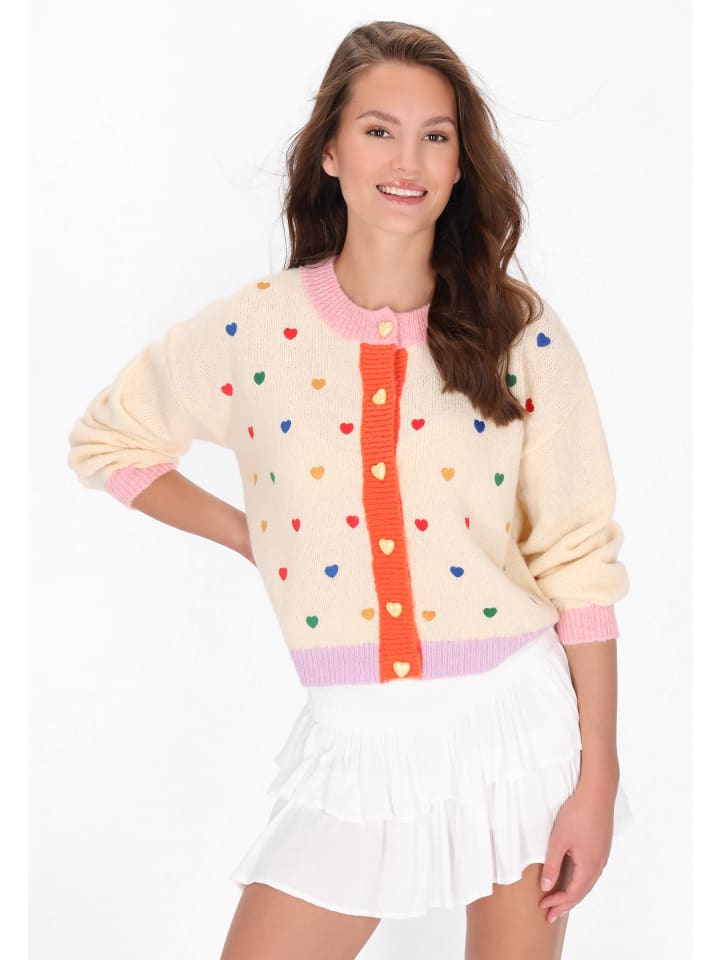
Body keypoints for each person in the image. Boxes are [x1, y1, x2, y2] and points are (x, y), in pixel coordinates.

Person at [67, 19, 635, 960]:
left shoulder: (519, 330)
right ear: (330, 149)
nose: (407, 160)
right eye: (378, 130)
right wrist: (251, 533)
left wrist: (597, 781)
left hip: (517, 726)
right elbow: (108, 441)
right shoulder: (253, 331)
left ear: (459, 164)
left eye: (435, 135)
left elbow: (578, 562)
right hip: (353, 748)